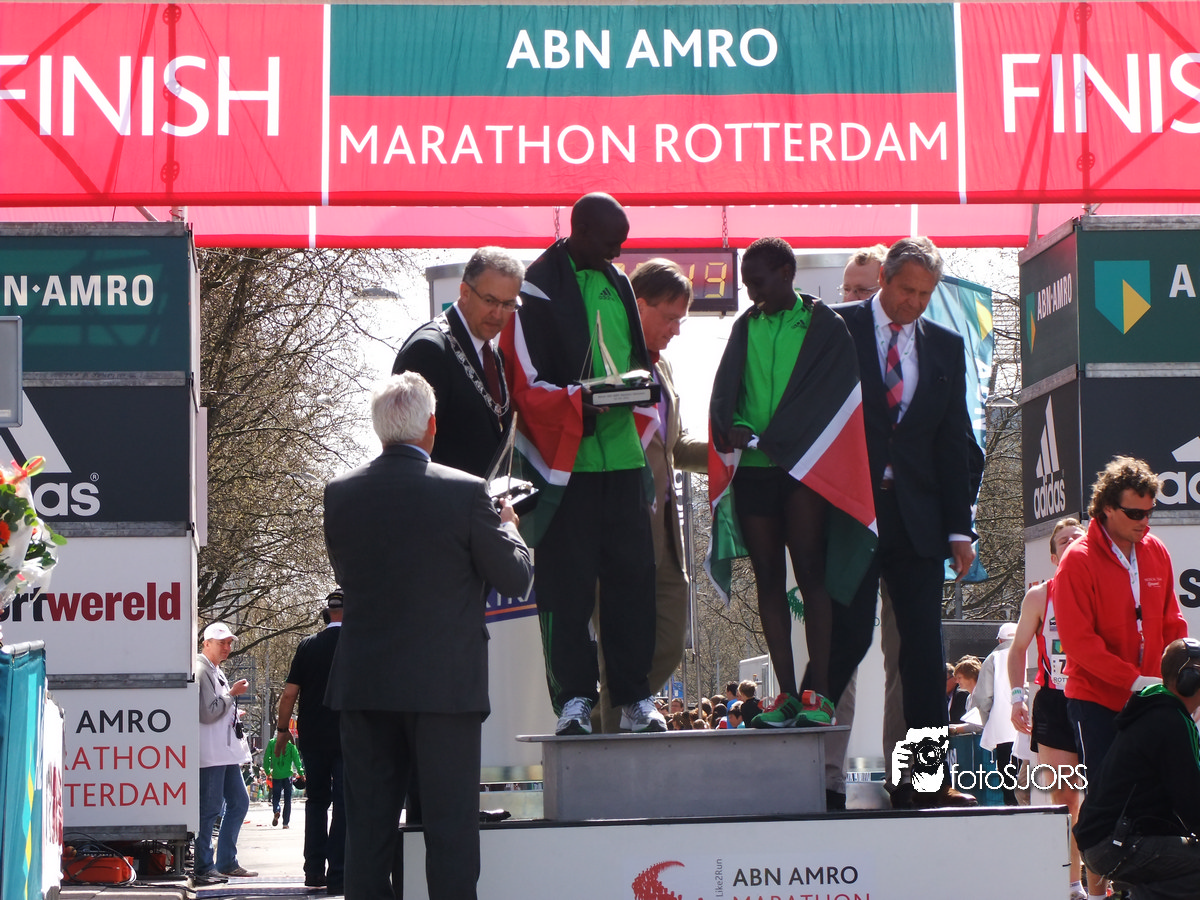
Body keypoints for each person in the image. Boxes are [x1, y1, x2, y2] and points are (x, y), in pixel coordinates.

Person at [323, 372, 533, 900]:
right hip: (446, 689)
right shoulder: (466, 492)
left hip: (365, 686)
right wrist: (509, 527)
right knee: (450, 836)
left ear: (379, 428)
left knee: (367, 837)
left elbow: (350, 575)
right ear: (431, 427)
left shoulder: (340, 494)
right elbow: (514, 577)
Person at [500, 192, 665, 735]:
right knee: (564, 591)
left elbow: (637, 364)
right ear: (582, 230)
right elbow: (524, 383)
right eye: (611, 242)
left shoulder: (619, 282)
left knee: (633, 584)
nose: (619, 254)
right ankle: (573, 701)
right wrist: (579, 400)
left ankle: (635, 699)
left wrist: (638, 387)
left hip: (622, 461)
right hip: (562, 468)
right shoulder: (534, 287)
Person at [829, 236, 980, 809]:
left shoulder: (945, 345)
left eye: (925, 294)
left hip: (917, 519)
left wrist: (959, 528)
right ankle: (822, 780)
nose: (914, 303)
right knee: (841, 644)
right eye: (906, 290)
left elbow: (953, 440)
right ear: (884, 280)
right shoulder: (836, 328)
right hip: (850, 512)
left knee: (920, 652)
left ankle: (920, 784)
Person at [709, 236, 875, 729]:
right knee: (767, 578)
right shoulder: (745, 326)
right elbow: (727, 394)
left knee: (811, 574)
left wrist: (788, 437)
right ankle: (785, 694)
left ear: (786, 273)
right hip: (755, 470)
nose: (751, 293)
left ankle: (818, 693)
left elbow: (837, 397)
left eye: (758, 282)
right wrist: (735, 425)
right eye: (746, 285)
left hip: (806, 468)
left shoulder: (825, 324)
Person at [592, 258, 707, 732]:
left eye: (682, 320)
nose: (676, 330)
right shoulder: (606, 357)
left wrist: (730, 453)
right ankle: (604, 742)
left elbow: (673, 447)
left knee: (669, 641)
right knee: (618, 649)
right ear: (638, 306)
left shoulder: (666, 369)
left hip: (663, 530)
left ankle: (599, 722)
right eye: (670, 317)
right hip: (615, 523)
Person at [1054, 457, 1187, 786]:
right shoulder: (1077, 559)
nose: (1144, 522)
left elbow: (1172, 623)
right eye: (1135, 514)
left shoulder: (1156, 550)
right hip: (1097, 702)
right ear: (1107, 508)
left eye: (1149, 512)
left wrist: (1179, 679)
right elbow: (1078, 642)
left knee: (1155, 796)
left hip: (1152, 699)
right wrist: (1134, 680)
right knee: (1108, 800)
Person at [1074, 638, 1200, 899]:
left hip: (1107, 841)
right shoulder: (1171, 721)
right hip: (1115, 845)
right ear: (1189, 680)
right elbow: (1192, 802)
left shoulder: (1154, 710)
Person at [1009, 517, 1088, 899]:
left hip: (1098, 700)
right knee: (1066, 799)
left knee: (1105, 792)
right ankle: (1072, 883)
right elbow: (1017, 650)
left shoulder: (1106, 588)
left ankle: (1103, 882)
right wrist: (1016, 698)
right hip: (1055, 702)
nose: (1071, 541)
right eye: (1063, 540)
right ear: (1054, 556)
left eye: (1078, 537)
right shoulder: (1040, 595)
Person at [392, 247, 523, 477]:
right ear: (465, 292)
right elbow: (405, 456)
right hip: (442, 499)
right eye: (490, 301)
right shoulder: (428, 351)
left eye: (508, 304)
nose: (498, 314)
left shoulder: (491, 352)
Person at [275, 589, 347, 893]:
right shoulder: (358, 643)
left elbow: (289, 694)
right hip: (349, 735)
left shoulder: (308, 645)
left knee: (316, 801)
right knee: (344, 803)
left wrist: (282, 730)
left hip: (314, 736)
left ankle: (314, 870)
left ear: (326, 614)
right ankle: (339, 873)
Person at [195, 622, 256, 884]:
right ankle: (204, 866)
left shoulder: (213, 669)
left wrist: (231, 706)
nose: (227, 647)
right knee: (209, 809)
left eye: (229, 643)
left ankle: (225, 861)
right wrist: (232, 695)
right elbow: (208, 712)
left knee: (238, 802)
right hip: (212, 753)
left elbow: (213, 709)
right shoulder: (202, 670)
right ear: (206, 643)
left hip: (222, 752)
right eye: (222, 643)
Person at [973, 622, 1020, 805]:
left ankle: (1012, 806)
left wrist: (988, 722)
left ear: (1000, 640)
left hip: (1003, 726)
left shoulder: (993, 658)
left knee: (1008, 772)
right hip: (1031, 726)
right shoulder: (1031, 652)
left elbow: (983, 696)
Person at [264, 731, 303, 828]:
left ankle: (276, 810)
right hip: (287, 775)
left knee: (276, 797)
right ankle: (285, 823)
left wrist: (268, 771)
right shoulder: (291, 745)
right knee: (287, 799)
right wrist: (301, 773)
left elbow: (266, 758)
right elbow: (297, 760)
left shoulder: (272, 743)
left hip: (276, 775)